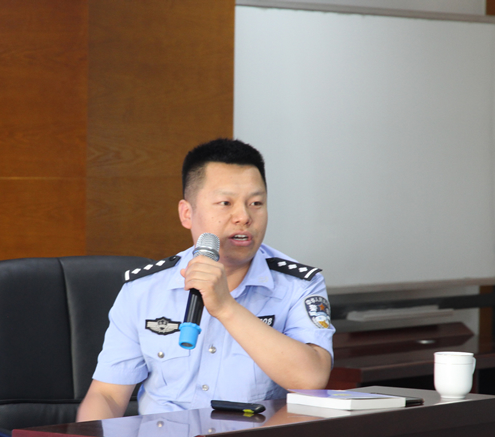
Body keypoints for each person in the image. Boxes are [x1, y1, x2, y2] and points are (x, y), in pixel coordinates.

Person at [76, 138, 334, 421]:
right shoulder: (144, 289)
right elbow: (108, 395)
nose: (244, 217)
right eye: (225, 203)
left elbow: (311, 379)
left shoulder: (298, 285)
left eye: (256, 203)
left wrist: (226, 307)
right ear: (187, 213)